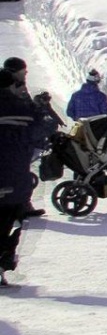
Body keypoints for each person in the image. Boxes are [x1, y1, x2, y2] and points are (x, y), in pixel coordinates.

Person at [0, 66, 59, 287]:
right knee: (8, 218)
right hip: (15, 174)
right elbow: (45, 127)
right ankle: (4, 257)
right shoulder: (22, 107)